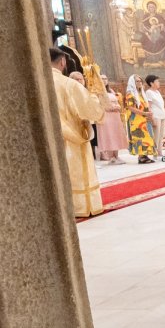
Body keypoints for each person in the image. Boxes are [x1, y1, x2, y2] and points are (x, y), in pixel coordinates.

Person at [49, 48, 105, 217]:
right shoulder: (69, 85)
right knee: (74, 171)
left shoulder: (35, 82)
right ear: (62, 62)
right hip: (70, 139)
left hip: (47, 139)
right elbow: (92, 110)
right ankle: (78, 206)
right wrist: (95, 92)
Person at [125, 74, 156, 164]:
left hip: (144, 119)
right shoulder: (130, 94)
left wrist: (149, 115)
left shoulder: (141, 93)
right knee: (140, 137)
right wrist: (144, 113)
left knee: (147, 137)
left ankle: (144, 155)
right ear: (132, 83)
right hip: (136, 120)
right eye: (137, 81)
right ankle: (141, 157)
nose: (139, 83)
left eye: (140, 81)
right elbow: (131, 107)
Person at [96, 81, 128, 163]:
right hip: (107, 116)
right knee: (109, 135)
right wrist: (114, 107)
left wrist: (117, 106)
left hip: (115, 116)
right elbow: (102, 106)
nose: (104, 80)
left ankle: (116, 156)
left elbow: (118, 102)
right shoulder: (98, 92)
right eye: (102, 79)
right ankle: (111, 157)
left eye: (105, 78)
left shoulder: (111, 91)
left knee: (116, 135)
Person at [144, 75, 165, 157]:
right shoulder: (149, 92)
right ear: (151, 83)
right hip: (156, 116)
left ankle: (159, 152)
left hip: (162, 115)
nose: (159, 83)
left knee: (161, 136)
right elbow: (149, 106)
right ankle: (154, 153)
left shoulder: (157, 92)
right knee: (156, 136)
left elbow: (161, 106)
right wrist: (152, 119)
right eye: (157, 81)